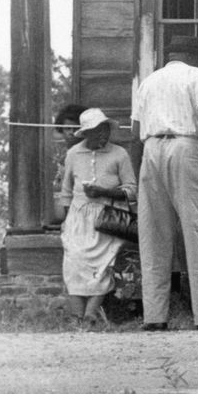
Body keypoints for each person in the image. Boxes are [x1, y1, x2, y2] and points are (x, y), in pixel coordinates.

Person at [131, 34, 198, 330]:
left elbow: (135, 130)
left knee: (153, 236)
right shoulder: (196, 75)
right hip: (185, 147)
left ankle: (154, 317)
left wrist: (139, 171)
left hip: (151, 150)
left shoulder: (148, 82)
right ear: (193, 57)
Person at [59, 108, 137, 326]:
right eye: (97, 130)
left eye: (105, 129)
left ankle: (91, 316)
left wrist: (104, 192)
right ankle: (76, 317)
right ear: (86, 133)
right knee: (73, 263)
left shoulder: (119, 154)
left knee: (102, 265)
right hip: (78, 218)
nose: (103, 134)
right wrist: (67, 222)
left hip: (107, 219)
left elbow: (132, 190)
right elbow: (66, 192)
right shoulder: (74, 154)